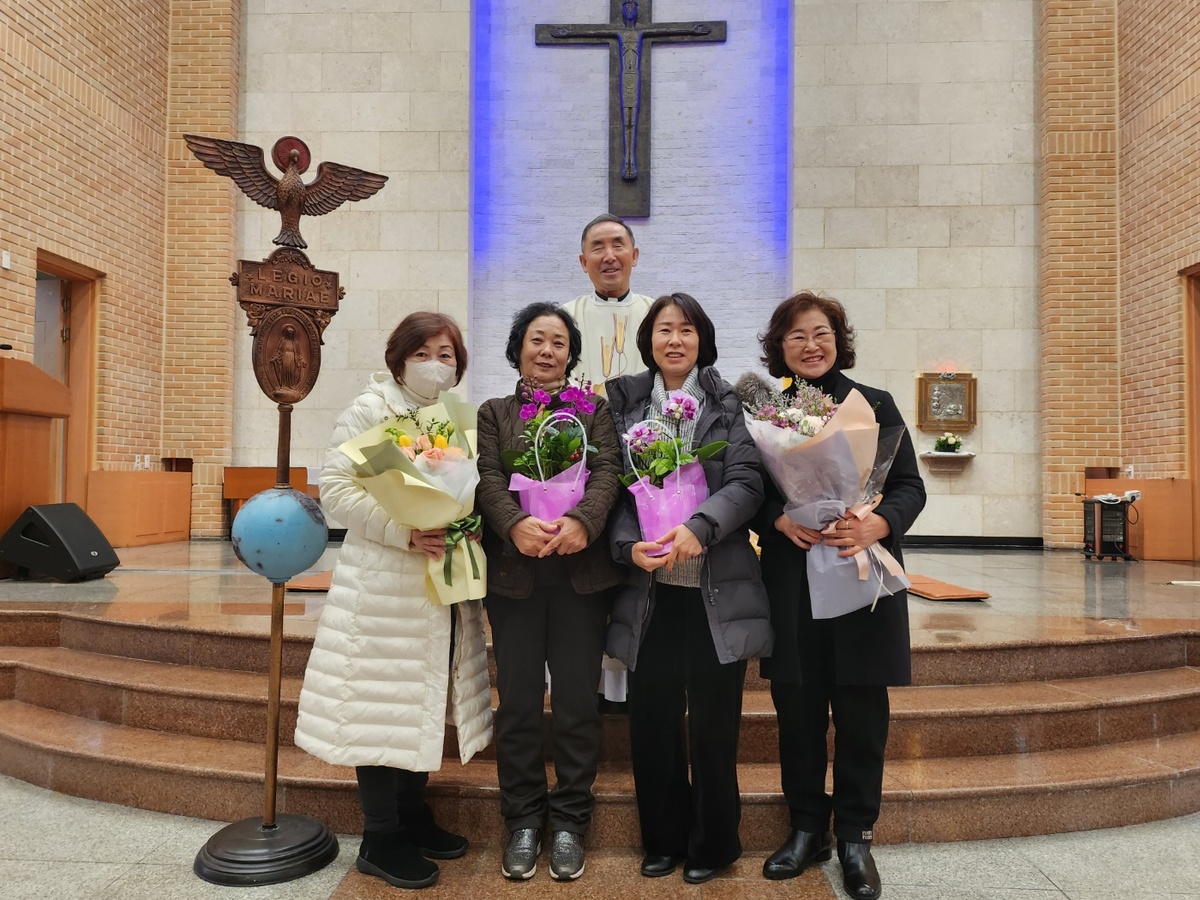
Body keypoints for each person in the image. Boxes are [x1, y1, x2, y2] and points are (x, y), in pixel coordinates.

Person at [294, 312, 492, 891]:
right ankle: (380, 837)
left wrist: (468, 521)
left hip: (441, 580)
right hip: (384, 584)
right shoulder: (370, 408)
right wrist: (402, 530)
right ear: (399, 357)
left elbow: (464, 490)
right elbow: (335, 489)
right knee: (380, 702)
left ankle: (412, 815)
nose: (436, 364)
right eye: (423, 353)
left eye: (447, 354)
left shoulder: (451, 416)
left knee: (423, 696)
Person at [754, 292, 926, 900]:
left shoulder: (872, 405)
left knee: (861, 714)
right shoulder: (767, 414)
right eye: (797, 335)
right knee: (797, 710)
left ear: (839, 340)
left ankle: (855, 835)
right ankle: (806, 828)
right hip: (794, 577)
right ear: (780, 346)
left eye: (821, 333)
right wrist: (777, 518)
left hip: (860, 575)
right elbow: (750, 489)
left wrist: (879, 524)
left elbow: (908, 487)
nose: (811, 345)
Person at [605, 292, 773, 885]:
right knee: (651, 720)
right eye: (664, 329)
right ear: (648, 339)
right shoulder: (622, 402)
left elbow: (747, 482)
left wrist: (699, 528)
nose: (674, 340)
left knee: (713, 724)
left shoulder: (730, 404)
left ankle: (715, 842)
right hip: (648, 589)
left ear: (703, 340)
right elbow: (610, 488)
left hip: (714, 588)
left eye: (686, 330)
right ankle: (662, 839)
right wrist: (627, 545)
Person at [475, 302, 623, 881]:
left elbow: (608, 471)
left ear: (571, 354)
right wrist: (514, 524)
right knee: (517, 702)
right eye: (537, 339)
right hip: (516, 575)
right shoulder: (494, 412)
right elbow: (488, 476)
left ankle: (569, 822)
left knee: (577, 703)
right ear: (518, 348)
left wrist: (583, 521)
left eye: (559, 342)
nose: (547, 351)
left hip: (580, 575)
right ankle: (523, 820)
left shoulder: (594, 410)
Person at [560, 213, 655, 390]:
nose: (609, 257)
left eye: (618, 246)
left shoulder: (655, 314)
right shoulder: (566, 317)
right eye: (598, 248)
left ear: (634, 256)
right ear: (584, 262)